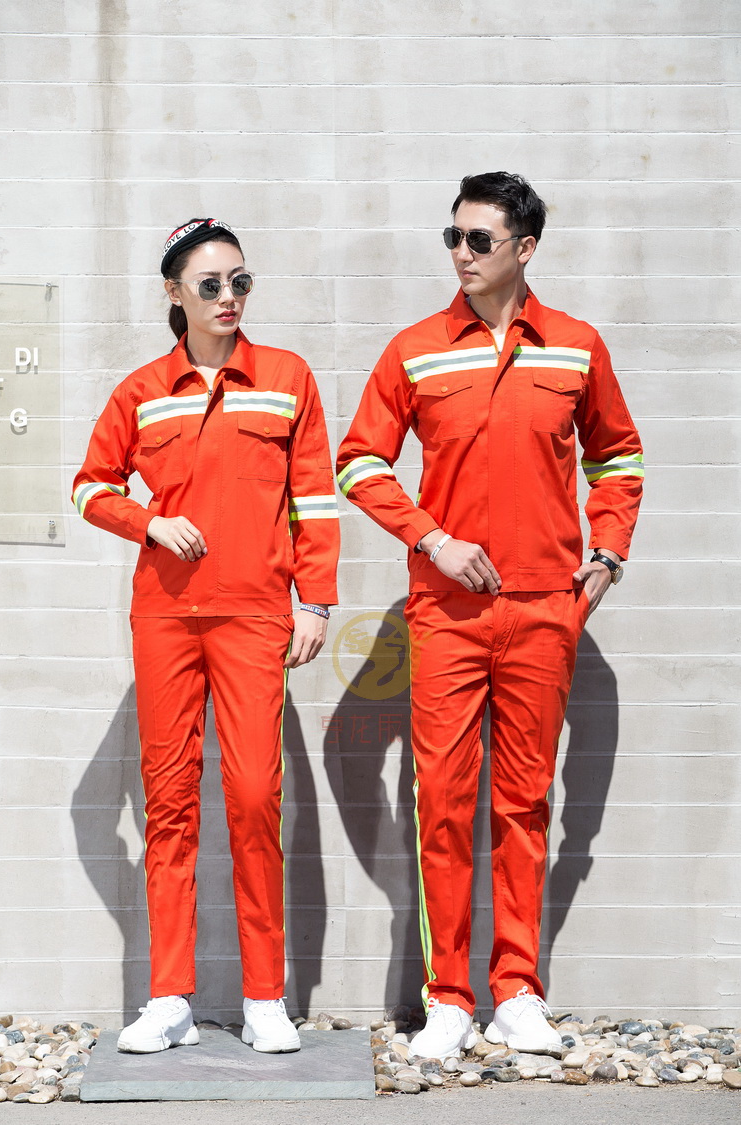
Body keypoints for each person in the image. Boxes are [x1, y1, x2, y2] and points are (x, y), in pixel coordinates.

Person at [337, 173, 643, 1059]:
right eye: (453, 237)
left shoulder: (576, 347)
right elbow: (359, 462)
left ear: (525, 247)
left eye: (479, 239)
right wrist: (431, 539)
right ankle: (448, 997)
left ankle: (516, 992)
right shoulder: (417, 349)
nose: (461, 254)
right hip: (446, 612)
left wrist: (608, 550)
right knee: (442, 799)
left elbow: (618, 457)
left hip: (546, 608)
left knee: (524, 802)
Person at [73, 218, 339, 1055]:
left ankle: (265, 995)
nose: (230, 298)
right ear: (175, 292)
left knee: (256, 796)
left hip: (256, 616)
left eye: (241, 282)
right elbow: (89, 485)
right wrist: (148, 522)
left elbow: (315, 497)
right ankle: (170, 998)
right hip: (165, 618)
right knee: (170, 802)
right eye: (212, 284)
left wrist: (316, 601)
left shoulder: (287, 378)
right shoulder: (142, 390)